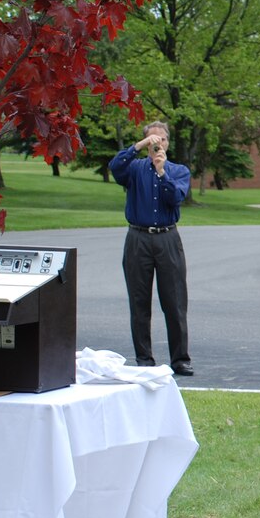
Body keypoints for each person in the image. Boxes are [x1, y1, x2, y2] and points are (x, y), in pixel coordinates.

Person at [108, 121, 194, 375]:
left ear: (168, 143)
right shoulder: (133, 169)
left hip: (167, 238)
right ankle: (144, 359)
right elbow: (115, 168)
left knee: (175, 301)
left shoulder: (179, 171)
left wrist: (161, 172)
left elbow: (175, 198)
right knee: (139, 301)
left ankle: (180, 359)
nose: (158, 145)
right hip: (138, 238)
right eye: (152, 141)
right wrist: (138, 147)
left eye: (162, 140)